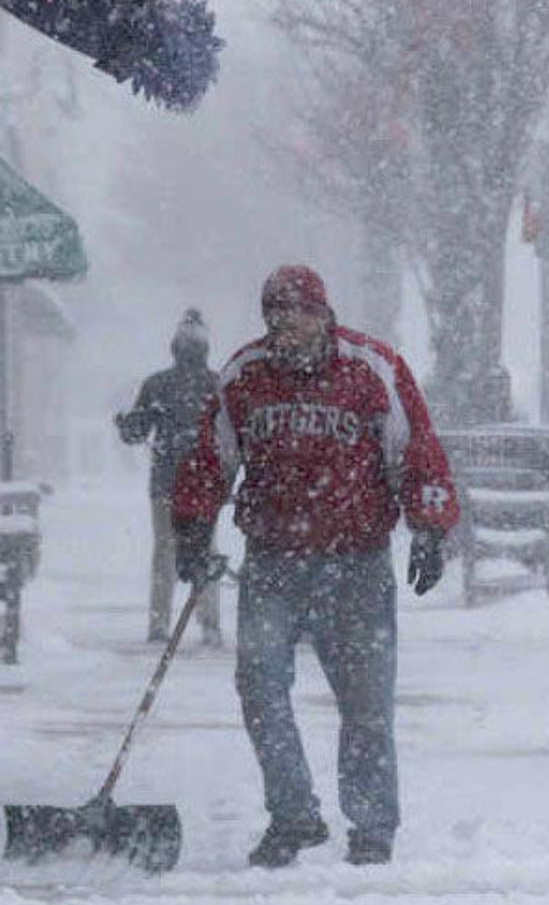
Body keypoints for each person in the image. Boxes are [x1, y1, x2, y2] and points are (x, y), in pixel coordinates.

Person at [171, 265, 460, 868]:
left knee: (365, 700)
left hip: (356, 562)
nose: (286, 323)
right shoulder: (245, 377)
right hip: (273, 561)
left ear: (324, 314)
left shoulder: (371, 369)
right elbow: (209, 458)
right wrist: (194, 528)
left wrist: (430, 526)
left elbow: (417, 449)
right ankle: (294, 813)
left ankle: (373, 825)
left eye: (299, 310)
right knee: (259, 685)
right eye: (275, 312)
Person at [115, 307, 223, 646]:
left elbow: (136, 431)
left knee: (164, 550)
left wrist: (127, 424)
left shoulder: (157, 384)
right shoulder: (216, 385)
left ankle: (160, 624)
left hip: (166, 481)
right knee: (205, 548)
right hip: (204, 483)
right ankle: (209, 623)